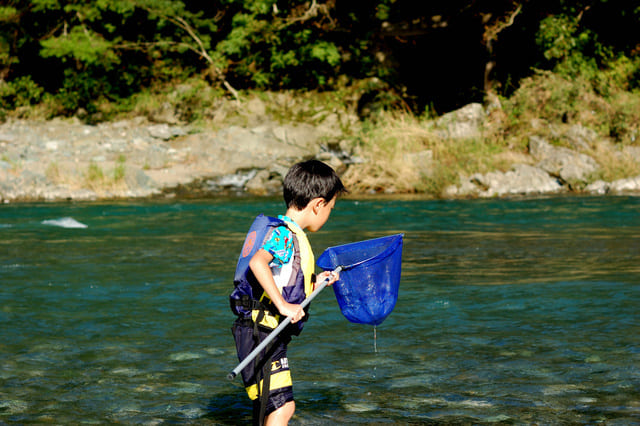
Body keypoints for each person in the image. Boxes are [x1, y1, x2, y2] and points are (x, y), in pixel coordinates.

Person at [230, 160, 346, 425]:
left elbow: (285, 280)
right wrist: (282, 305)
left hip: (264, 331)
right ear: (318, 204)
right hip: (261, 332)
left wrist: (316, 284)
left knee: (267, 408)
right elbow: (258, 262)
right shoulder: (284, 235)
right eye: (330, 207)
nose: (329, 213)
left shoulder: (290, 234)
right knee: (284, 408)